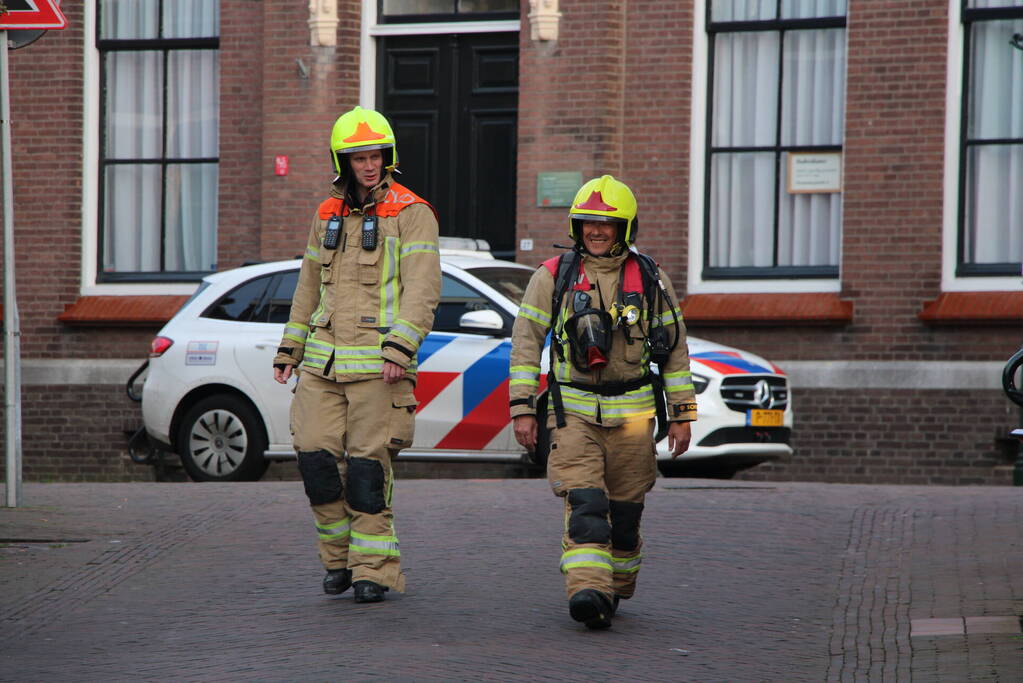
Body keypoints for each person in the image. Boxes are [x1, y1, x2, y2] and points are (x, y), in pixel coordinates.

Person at [509, 175, 697, 629]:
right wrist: (521, 409)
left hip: (633, 416)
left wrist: (682, 416)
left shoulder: (651, 279)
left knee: (626, 513)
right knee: (586, 503)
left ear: (625, 229)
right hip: (572, 412)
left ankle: (615, 586)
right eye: (587, 222)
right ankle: (587, 590)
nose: (595, 230)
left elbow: (674, 351)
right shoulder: (552, 278)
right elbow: (524, 344)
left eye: (606, 223)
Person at [273, 106, 440, 603]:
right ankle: (339, 563)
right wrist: (290, 347)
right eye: (358, 157)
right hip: (322, 367)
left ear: (388, 157)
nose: (368, 165)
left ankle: (376, 571)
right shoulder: (326, 214)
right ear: (341, 162)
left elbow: (423, 290)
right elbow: (307, 286)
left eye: (376, 156)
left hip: (378, 370)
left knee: (368, 473)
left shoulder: (413, 213)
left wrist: (401, 346)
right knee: (316, 464)